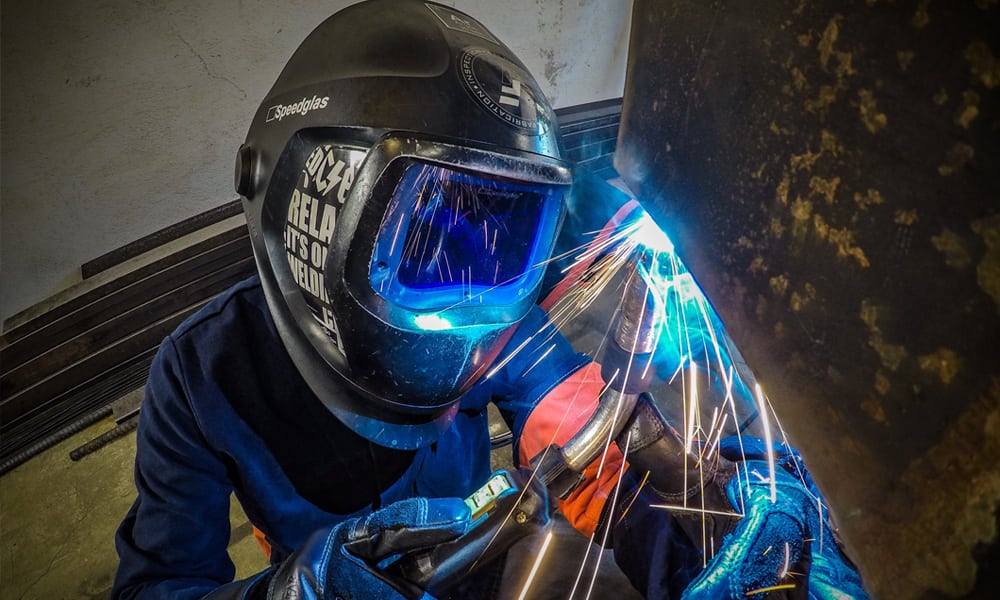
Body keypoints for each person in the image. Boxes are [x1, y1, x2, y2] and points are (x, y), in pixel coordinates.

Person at [112, 2, 869, 599]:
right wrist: (300, 591)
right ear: (309, 209)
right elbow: (159, 587)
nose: (469, 295)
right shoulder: (196, 377)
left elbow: (589, 453)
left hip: (475, 570)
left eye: (498, 239)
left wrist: (706, 549)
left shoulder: (496, 320)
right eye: (428, 242)